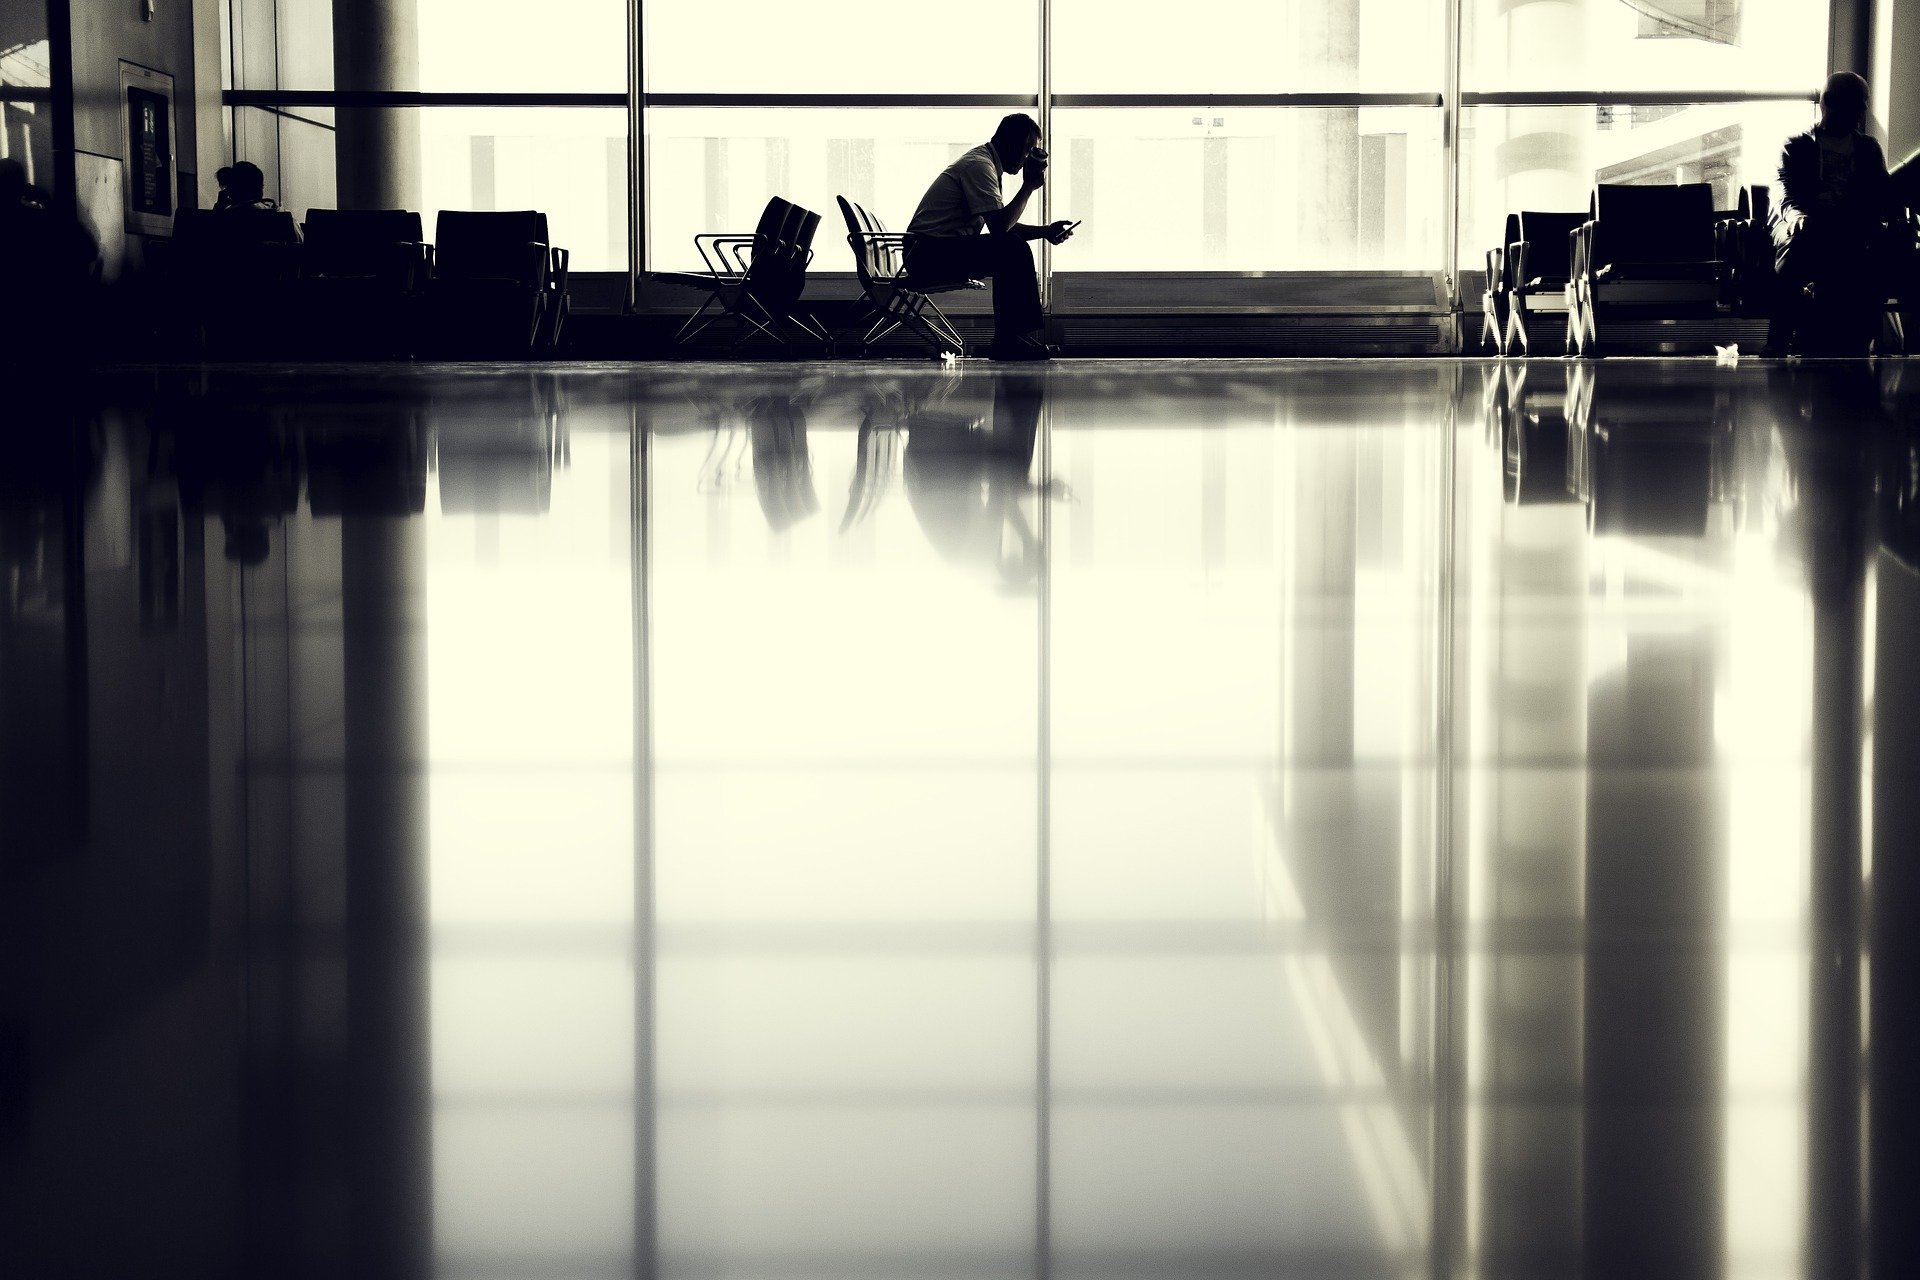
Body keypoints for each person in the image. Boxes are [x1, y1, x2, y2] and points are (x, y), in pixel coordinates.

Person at [904, 113, 1076, 361]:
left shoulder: (986, 165)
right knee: (1011, 249)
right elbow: (1000, 229)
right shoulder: (980, 167)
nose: (1028, 157)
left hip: (930, 249)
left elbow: (1001, 226)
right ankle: (1009, 340)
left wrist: (1045, 231)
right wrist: (1028, 186)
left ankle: (1012, 337)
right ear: (1010, 143)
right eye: (1028, 150)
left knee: (1010, 247)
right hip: (926, 253)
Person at [1767, 72, 1893, 356]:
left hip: (1849, 226)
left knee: (1879, 245)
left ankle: (1860, 338)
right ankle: (1778, 338)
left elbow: (1882, 196)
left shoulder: (1868, 149)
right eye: (1858, 103)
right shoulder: (1798, 147)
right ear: (1832, 104)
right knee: (1798, 243)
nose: (1863, 111)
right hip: (1807, 223)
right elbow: (1787, 196)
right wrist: (1797, 217)